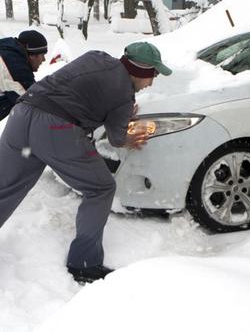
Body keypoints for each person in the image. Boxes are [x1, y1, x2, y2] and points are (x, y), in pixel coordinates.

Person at [0, 41, 172, 283]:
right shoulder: (124, 94)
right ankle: (84, 264)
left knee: (5, 189)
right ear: (140, 71)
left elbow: (82, 92)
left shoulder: (96, 57)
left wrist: (114, 112)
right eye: (152, 75)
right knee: (101, 188)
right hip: (56, 129)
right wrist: (128, 134)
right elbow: (117, 138)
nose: (151, 82)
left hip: (22, 114)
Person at [0, 30, 48, 120]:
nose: (44, 59)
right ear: (32, 55)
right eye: (42, 54)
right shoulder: (14, 66)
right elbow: (34, 100)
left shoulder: (7, 51)